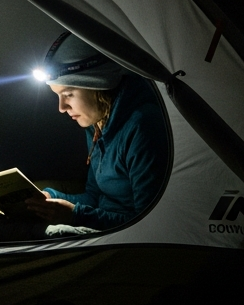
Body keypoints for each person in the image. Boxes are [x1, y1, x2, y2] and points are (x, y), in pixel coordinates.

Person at [24, 32, 169, 231]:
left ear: (97, 85)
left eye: (68, 94)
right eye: (58, 95)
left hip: (128, 236)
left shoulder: (143, 126)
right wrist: (50, 198)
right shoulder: (97, 123)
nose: (61, 107)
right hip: (103, 219)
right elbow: (94, 196)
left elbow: (150, 222)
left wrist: (76, 215)